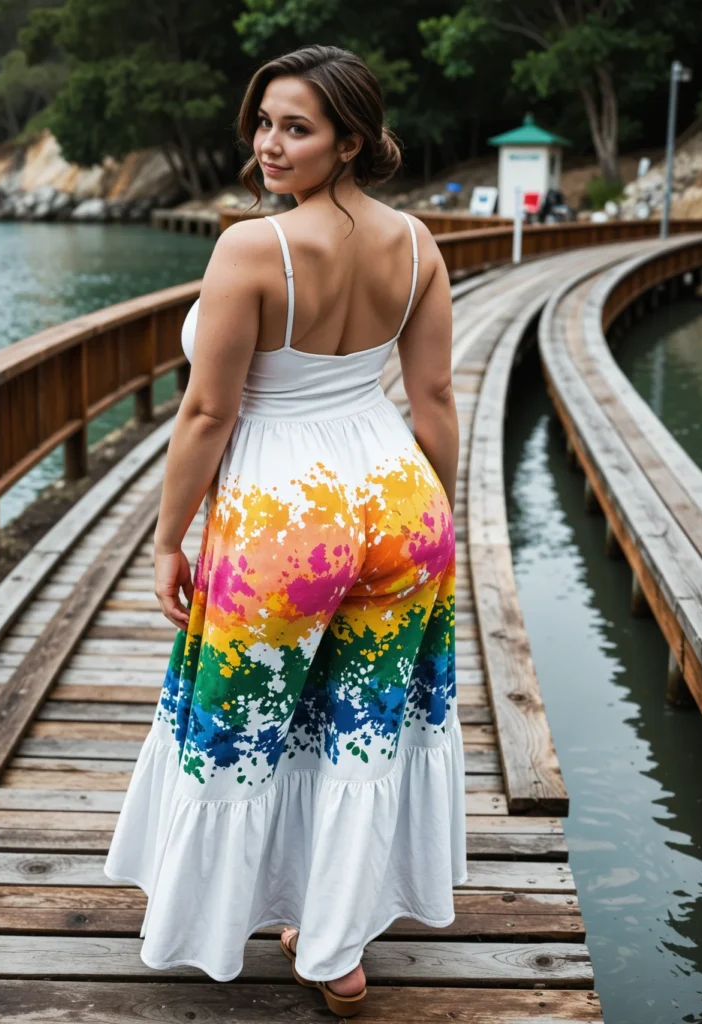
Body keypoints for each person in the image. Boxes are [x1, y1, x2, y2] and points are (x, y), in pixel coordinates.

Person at [103, 43, 466, 1018]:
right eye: (263, 121)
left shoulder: (249, 249)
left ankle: (234, 916)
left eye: (295, 127)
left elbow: (207, 415)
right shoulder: (417, 242)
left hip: (282, 512)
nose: (268, 142)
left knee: (249, 728)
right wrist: (443, 522)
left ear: (350, 140)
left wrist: (165, 539)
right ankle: (336, 947)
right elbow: (430, 396)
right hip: (397, 499)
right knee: (360, 730)